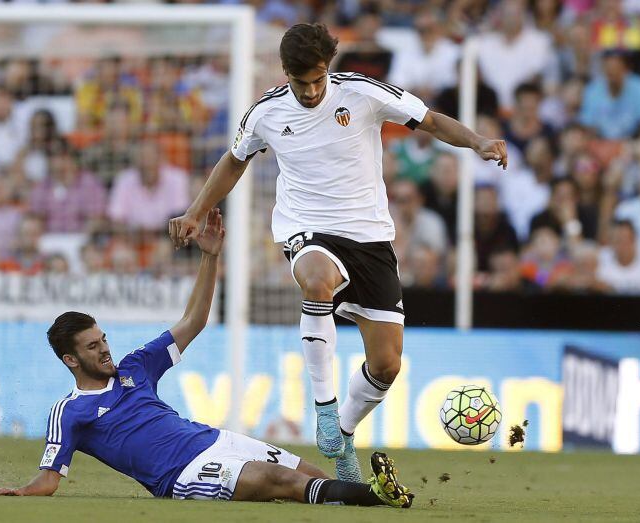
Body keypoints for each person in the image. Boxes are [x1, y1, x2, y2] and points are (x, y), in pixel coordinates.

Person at [169, 23, 507, 483]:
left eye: (318, 79)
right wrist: (196, 210)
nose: (310, 91)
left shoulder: (363, 93)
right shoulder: (265, 112)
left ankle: (342, 431)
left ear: (329, 67)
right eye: (300, 81)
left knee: (386, 364)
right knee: (315, 278)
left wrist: (478, 142)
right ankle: (325, 408)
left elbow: (428, 119)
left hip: (369, 236)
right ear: (285, 72)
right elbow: (234, 159)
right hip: (306, 228)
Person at [0, 209, 414, 509]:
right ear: (71, 360)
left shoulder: (134, 366)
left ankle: (369, 497)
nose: (105, 348)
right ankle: (377, 496)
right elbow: (50, 478)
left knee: (308, 472)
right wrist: (19, 494)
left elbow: (194, 320)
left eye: (103, 338)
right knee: (275, 480)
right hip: (181, 475)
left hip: (215, 440)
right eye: (93, 347)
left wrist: (210, 257)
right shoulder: (70, 412)